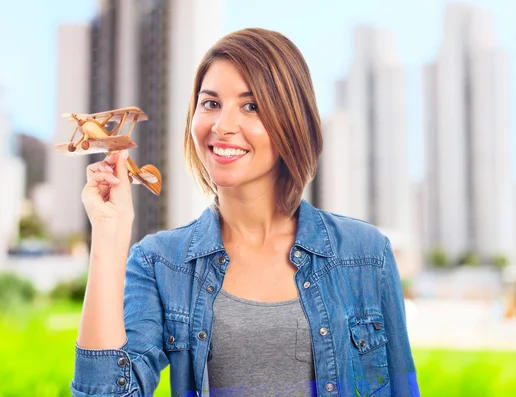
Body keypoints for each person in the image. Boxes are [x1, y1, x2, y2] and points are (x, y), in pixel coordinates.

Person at [71, 28, 420, 397]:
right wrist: (109, 235)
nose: (222, 127)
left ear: (291, 121)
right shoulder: (159, 263)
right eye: (211, 103)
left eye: (251, 106)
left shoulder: (365, 254)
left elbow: (402, 389)